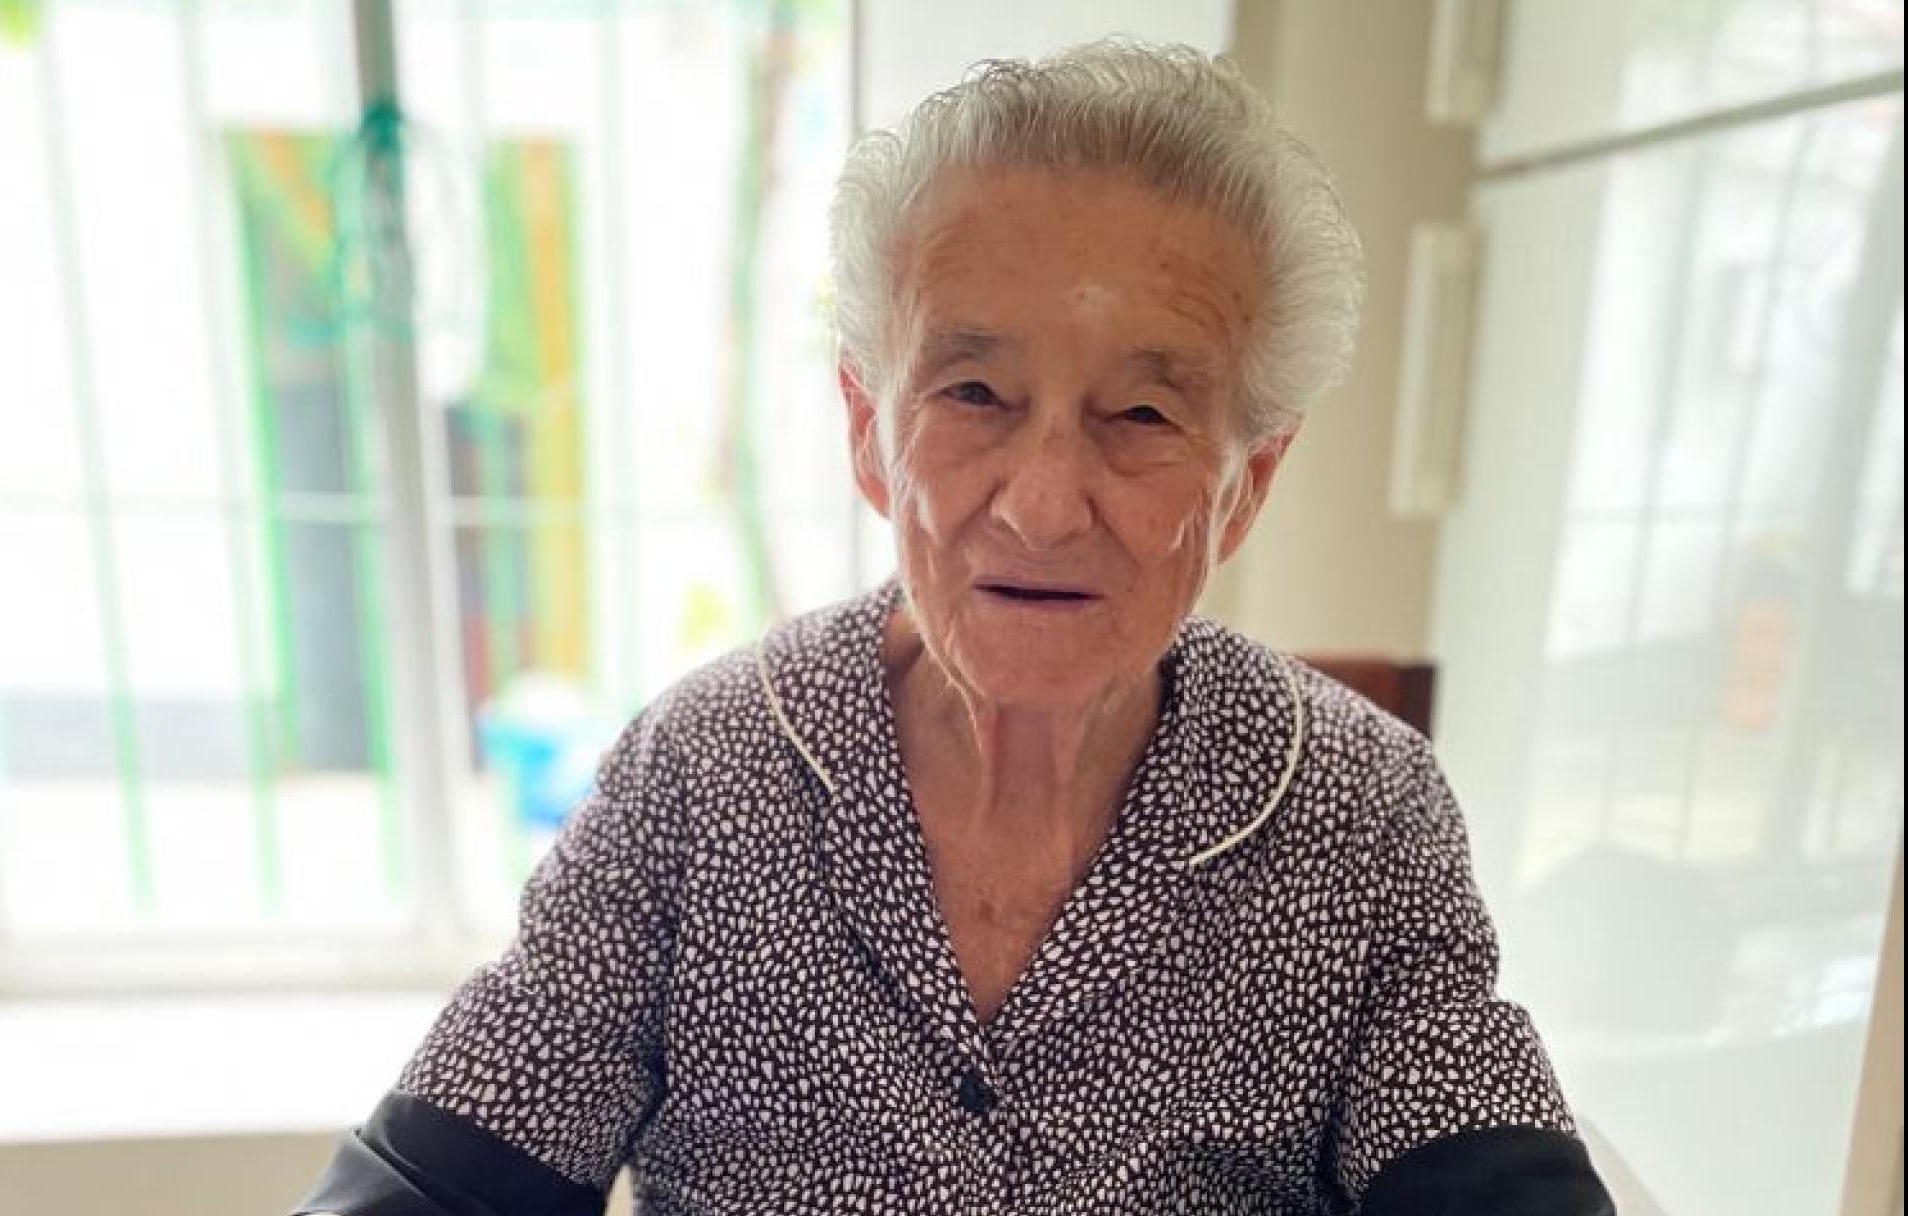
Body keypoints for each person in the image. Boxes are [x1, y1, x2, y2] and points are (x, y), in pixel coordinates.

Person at [295, 39, 1615, 1215]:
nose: (1041, 505)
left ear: (1248, 481)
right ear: (870, 432)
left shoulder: (1362, 815)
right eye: (975, 392)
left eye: (1143, 415)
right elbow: (439, 1178)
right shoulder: (698, 777)